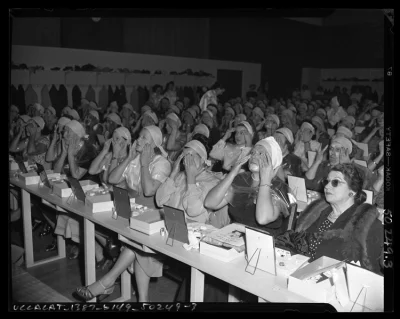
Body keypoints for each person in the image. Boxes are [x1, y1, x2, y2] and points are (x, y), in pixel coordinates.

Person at [75, 126, 171, 302]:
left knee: (135, 246)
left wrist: (144, 163)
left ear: (154, 144)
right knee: (136, 248)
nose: (138, 140)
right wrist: (129, 158)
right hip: (134, 214)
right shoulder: (134, 159)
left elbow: (149, 191)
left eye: (143, 138)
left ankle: (107, 281)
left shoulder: (161, 163)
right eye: (139, 136)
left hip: (155, 218)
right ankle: (142, 300)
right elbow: (112, 179)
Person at [275, 163, 383, 275]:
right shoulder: (316, 213)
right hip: (300, 272)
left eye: (335, 182)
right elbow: (295, 241)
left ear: (353, 191)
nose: (327, 186)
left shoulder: (365, 226)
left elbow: (365, 273)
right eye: (326, 181)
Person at [205, 136, 295, 237]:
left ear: (273, 162)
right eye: (253, 152)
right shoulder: (241, 180)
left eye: (261, 153)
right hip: (234, 239)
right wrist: (233, 172)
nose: (254, 156)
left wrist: (265, 180)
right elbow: (210, 203)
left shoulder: (279, 187)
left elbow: (263, 218)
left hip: (263, 244)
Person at [305, 135, 375, 192]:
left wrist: (346, 166)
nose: (332, 153)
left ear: (347, 153)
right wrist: (317, 162)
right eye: (331, 149)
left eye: (337, 150)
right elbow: (307, 184)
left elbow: (354, 193)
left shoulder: (359, 172)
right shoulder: (324, 165)